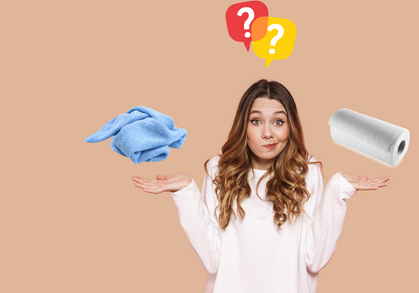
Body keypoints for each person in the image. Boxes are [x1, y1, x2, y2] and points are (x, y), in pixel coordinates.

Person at [131, 79, 391, 293]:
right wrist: (186, 193)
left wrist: (337, 190)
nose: (268, 133)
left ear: (290, 127)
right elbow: (211, 260)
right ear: (243, 125)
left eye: (278, 122)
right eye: (256, 121)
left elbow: (315, 259)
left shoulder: (306, 171)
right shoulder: (218, 169)